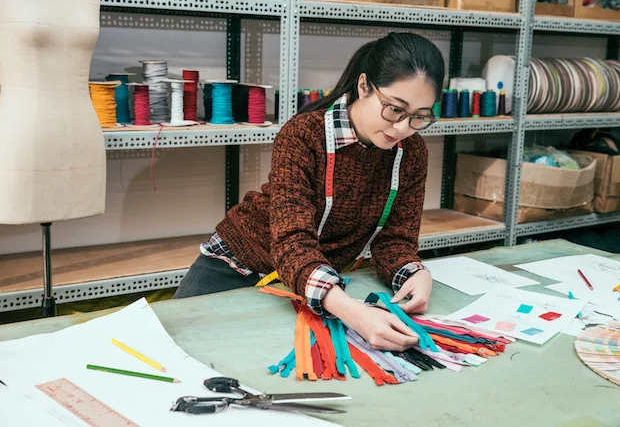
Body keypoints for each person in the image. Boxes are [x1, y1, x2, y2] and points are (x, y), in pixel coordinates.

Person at [174, 32, 445, 352]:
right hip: (239, 266)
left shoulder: (411, 153)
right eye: (394, 108)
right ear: (363, 86)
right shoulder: (304, 136)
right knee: (178, 348)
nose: (403, 127)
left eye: (419, 116)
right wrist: (355, 313)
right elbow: (292, 241)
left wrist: (413, 272)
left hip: (313, 283)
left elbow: (394, 240)